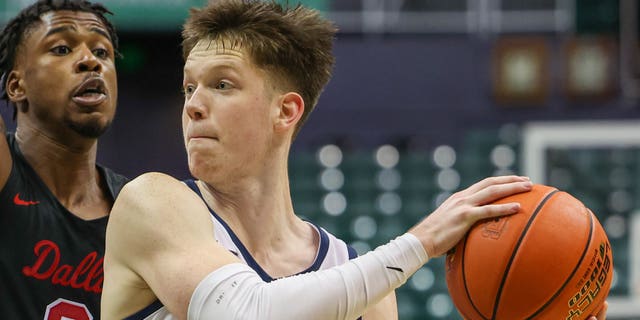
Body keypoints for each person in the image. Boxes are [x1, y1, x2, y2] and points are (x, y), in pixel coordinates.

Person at [100, 1, 608, 319]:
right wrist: (420, 243)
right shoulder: (152, 203)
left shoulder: (350, 273)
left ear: (286, 110)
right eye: (190, 86)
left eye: (222, 84)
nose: (193, 103)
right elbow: (242, 312)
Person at [0, 0, 127, 318]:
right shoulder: (6, 172)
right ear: (16, 86)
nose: (90, 61)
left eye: (101, 52)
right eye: (61, 49)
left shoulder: (137, 205)